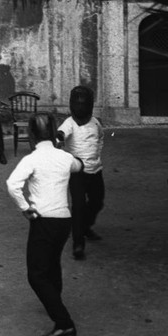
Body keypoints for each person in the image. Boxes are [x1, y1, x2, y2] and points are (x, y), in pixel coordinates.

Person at [5, 112, 83, 336]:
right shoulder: (64, 157)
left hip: (43, 220)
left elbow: (12, 184)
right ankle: (54, 299)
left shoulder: (31, 159)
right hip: (63, 219)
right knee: (52, 263)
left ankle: (64, 323)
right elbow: (79, 166)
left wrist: (24, 207)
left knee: (36, 275)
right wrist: (62, 151)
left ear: (31, 135)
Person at [60, 85, 105, 259]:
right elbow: (61, 133)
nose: (80, 106)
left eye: (83, 103)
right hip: (76, 172)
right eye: (77, 103)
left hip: (95, 170)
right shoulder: (69, 123)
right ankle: (78, 244)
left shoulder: (95, 122)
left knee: (97, 202)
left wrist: (96, 155)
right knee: (78, 206)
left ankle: (85, 227)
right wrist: (58, 139)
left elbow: (100, 138)